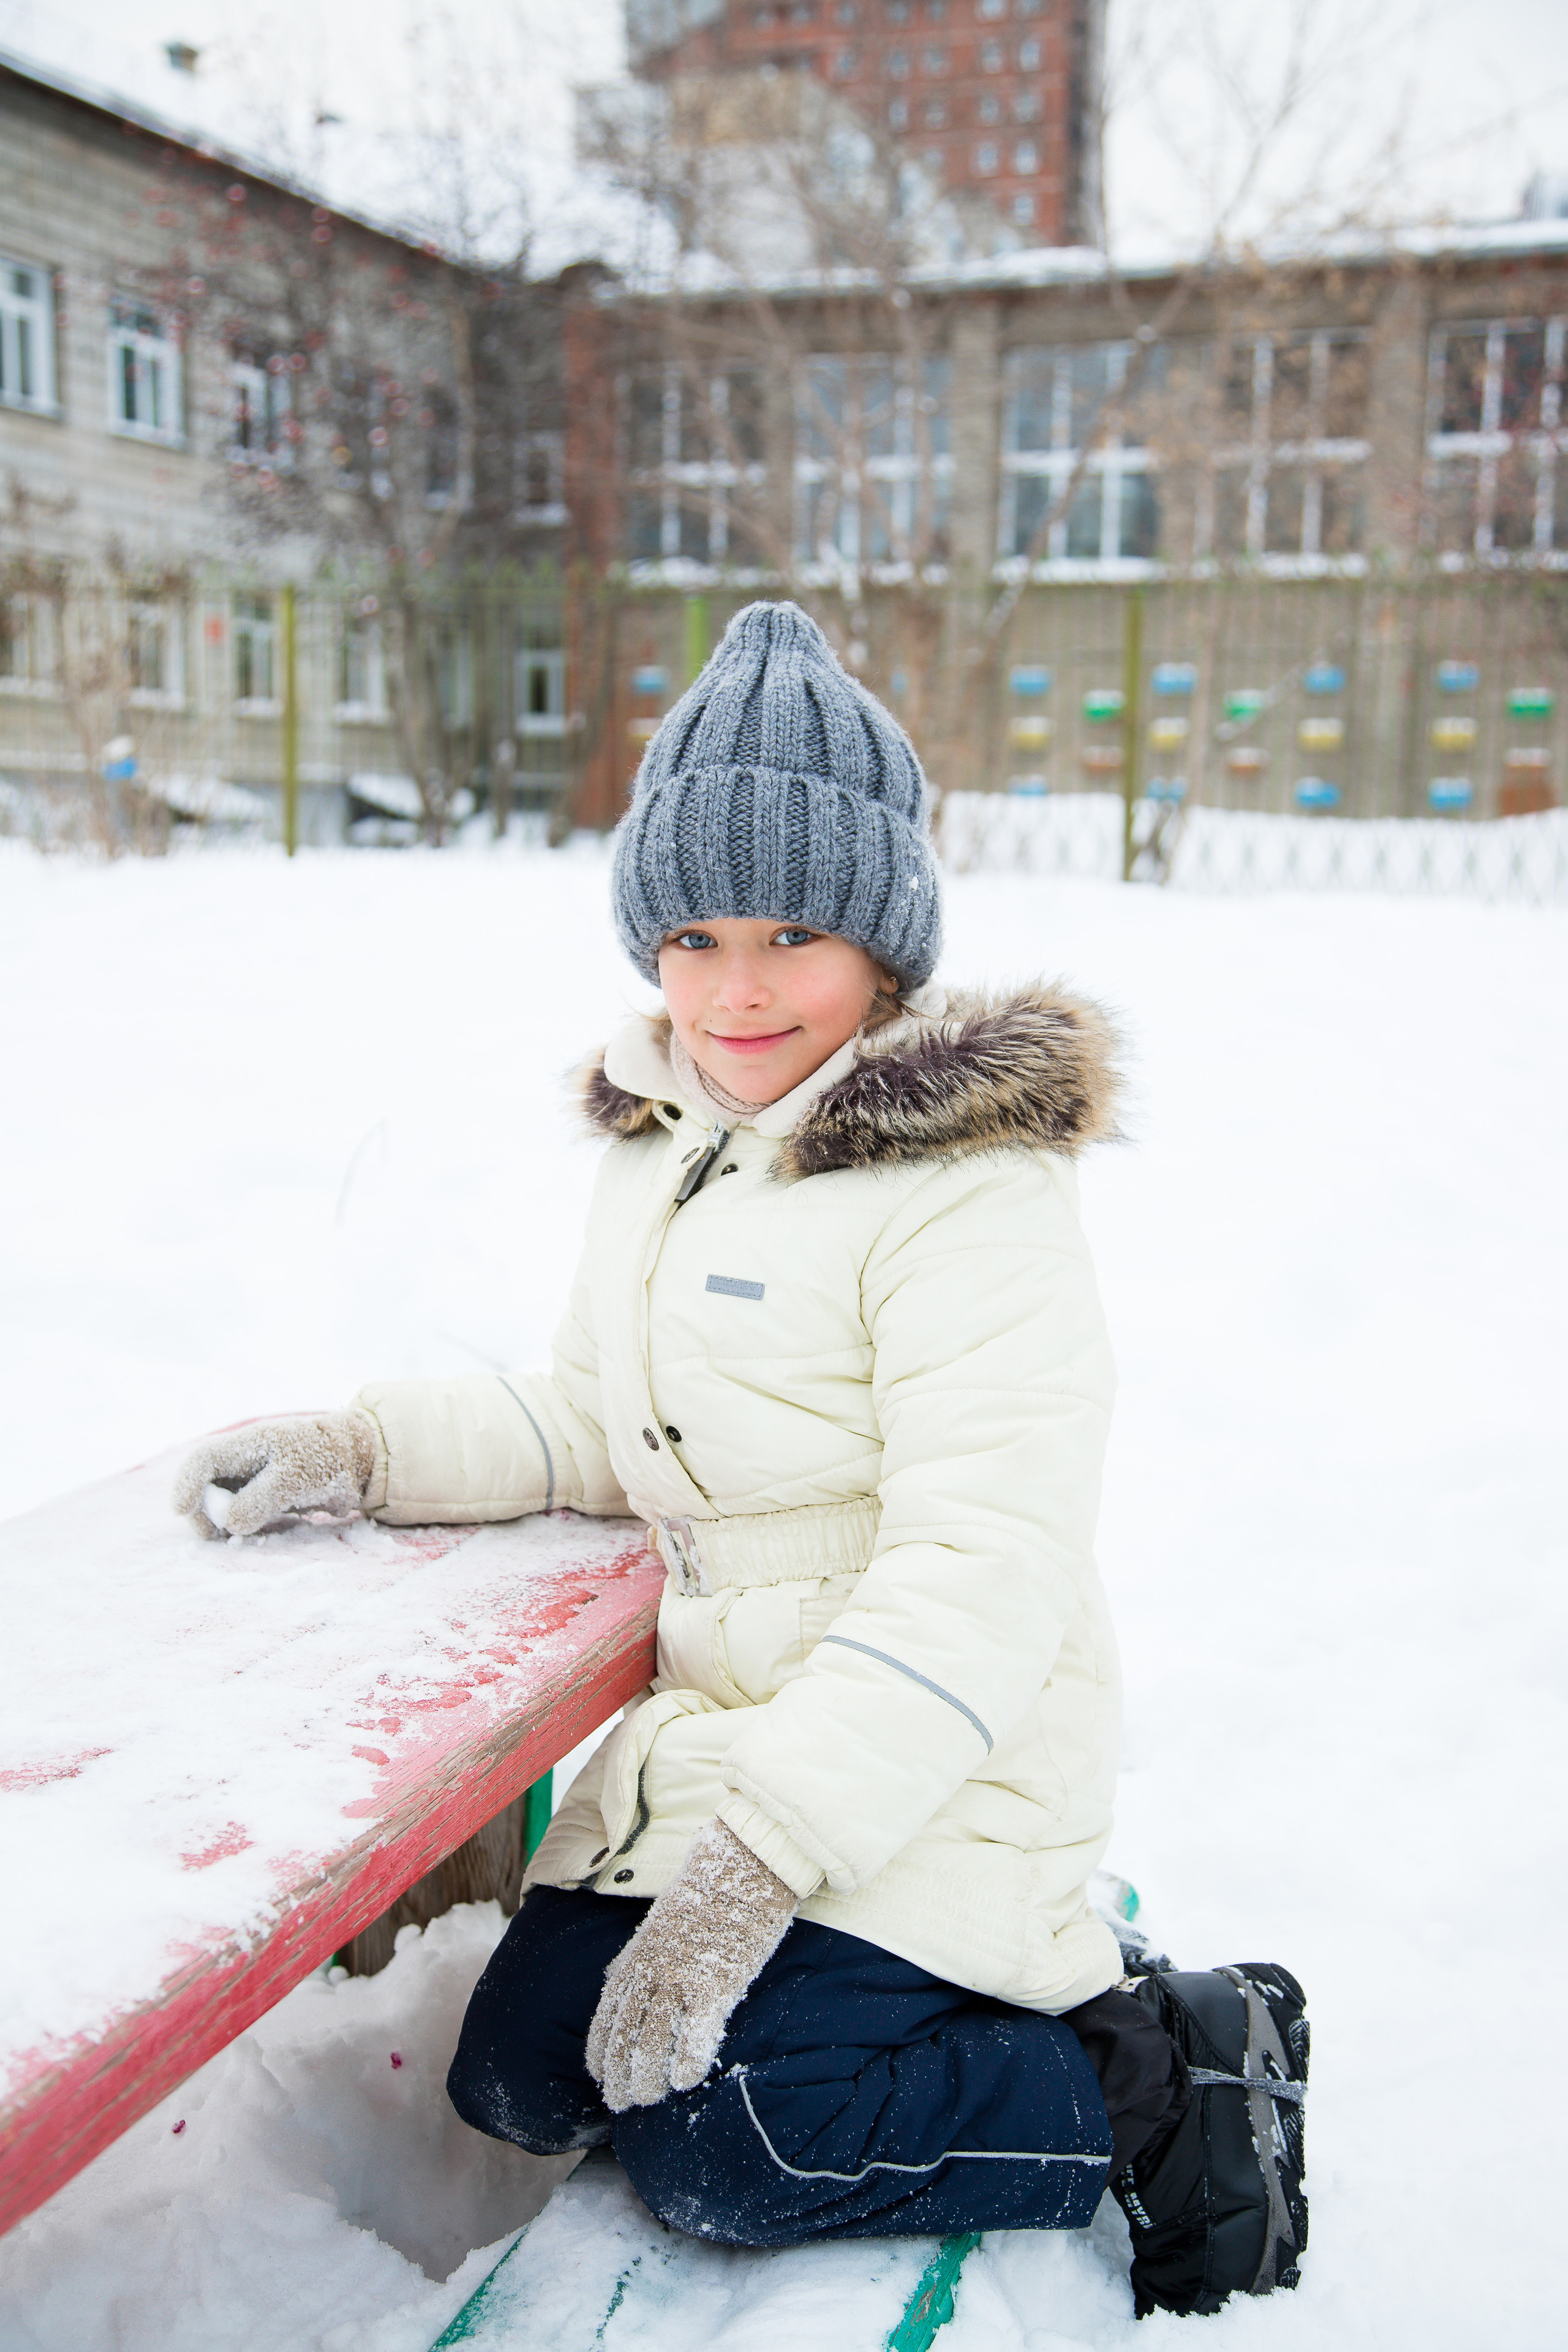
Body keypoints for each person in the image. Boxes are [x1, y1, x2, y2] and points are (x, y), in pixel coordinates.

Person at [172, 601, 1307, 2318]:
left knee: (733, 2143)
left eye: (793, 930)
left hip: (935, 1761)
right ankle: (903, 2002)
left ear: (886, 941)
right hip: (726, 1747)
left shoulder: (969, 1192)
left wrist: (758, 1866)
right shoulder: (668, 1145)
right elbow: (593, 1421)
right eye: (691, 936)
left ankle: (1157, 2066)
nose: (740, 987)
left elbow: (981, 1575)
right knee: (525, 2083)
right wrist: (369, 1449)